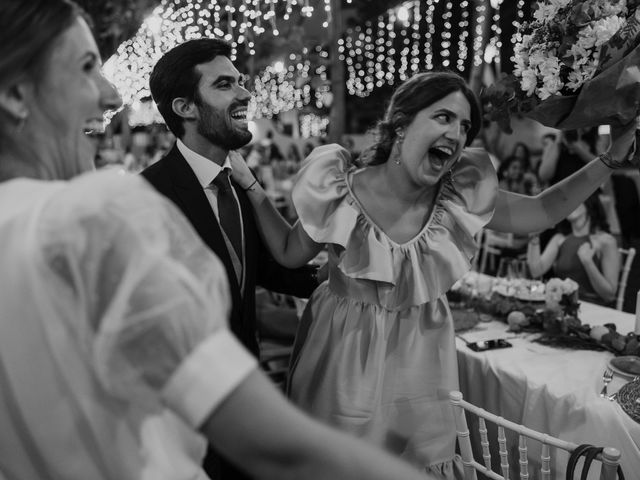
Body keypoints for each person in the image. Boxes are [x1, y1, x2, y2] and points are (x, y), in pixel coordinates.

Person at [0, 2, 444, 480]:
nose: (112, 95)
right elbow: (273, 445)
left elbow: (265, 268)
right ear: (15, 94)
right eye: (88, 67)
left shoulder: (235, 189)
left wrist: (356, 278)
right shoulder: (117, 206)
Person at [229, 70, 637, 478]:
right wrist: (250, 186)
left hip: (421, 365)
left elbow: (544, 210)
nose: (457, 133)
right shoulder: (340, 189)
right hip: (341, 354)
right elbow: (287, 253)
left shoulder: (458, 196)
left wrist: (609, 160)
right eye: (443, 117)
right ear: (401, 124)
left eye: (464, 126)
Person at [141, 39, 320, 360]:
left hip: (247, 366)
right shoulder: (148, 196)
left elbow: (257, 268)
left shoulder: (238, 181)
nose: (245, 94)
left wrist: (333, 279)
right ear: (185, 108)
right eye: (224, 85)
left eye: (240, 82)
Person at [527, 193, 620, 306]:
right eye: (566, 202)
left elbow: (609, 295)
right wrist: (534, 238)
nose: (569, 205)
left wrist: (588, 263)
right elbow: (535, 271)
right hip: (563, 307)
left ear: (588, 202)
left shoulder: (606, 241)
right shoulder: (559, 239)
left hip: (595, 309)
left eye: (573, 200)